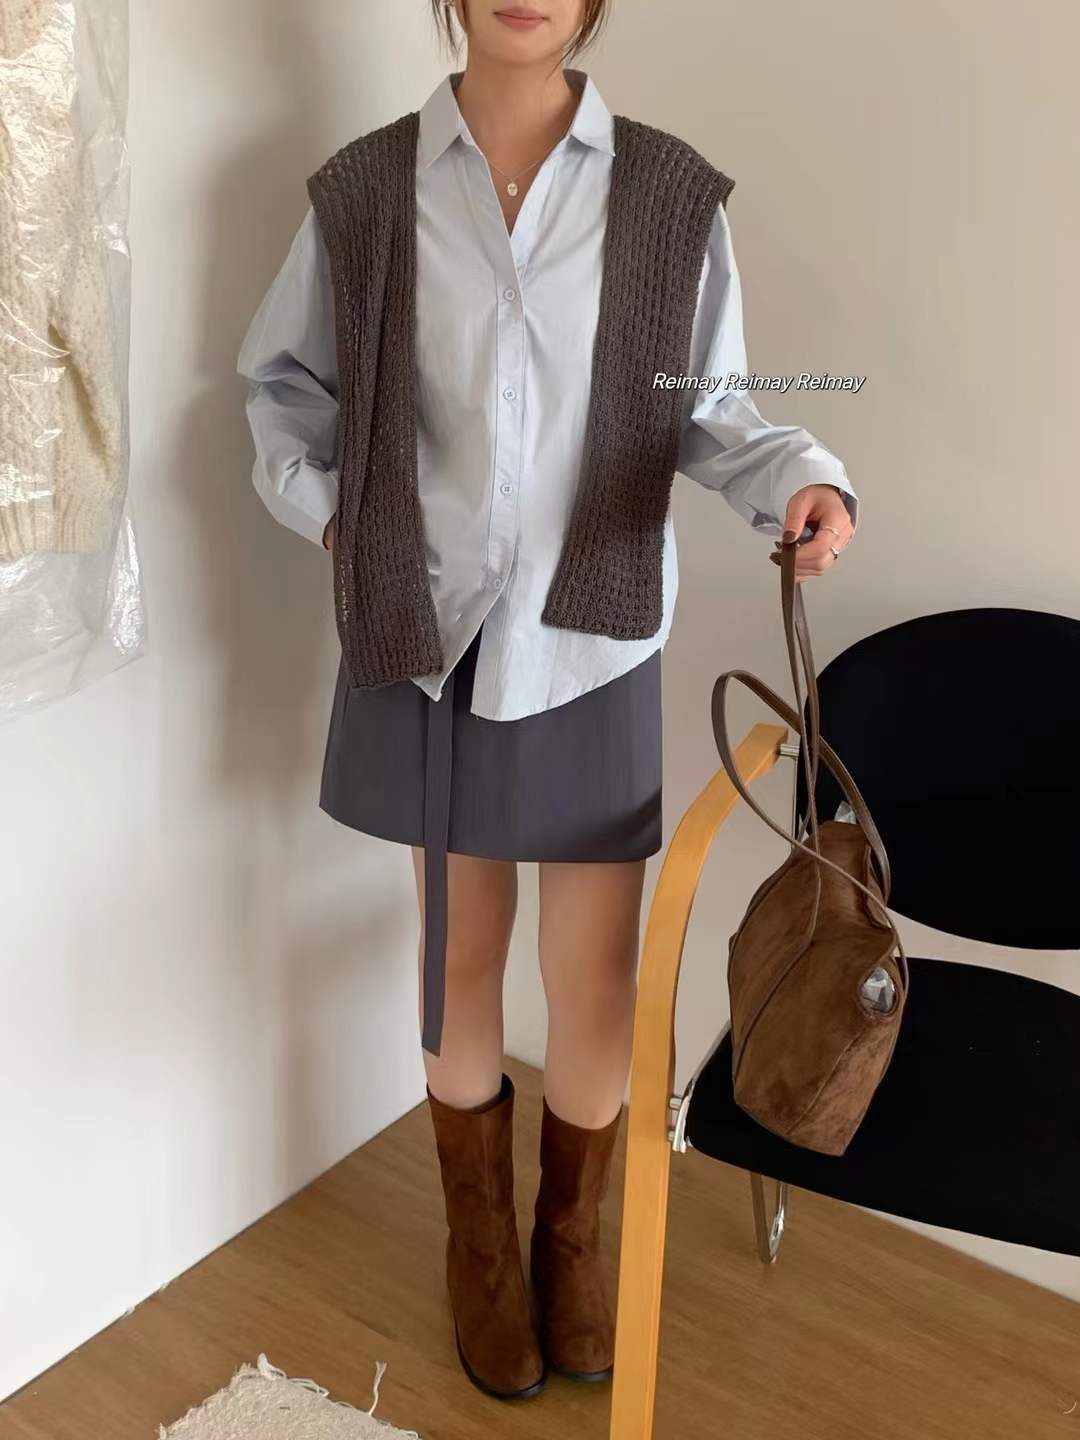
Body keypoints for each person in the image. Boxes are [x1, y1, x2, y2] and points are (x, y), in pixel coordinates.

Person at [236, 0, 856, 1404]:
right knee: (458, 955)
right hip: (429, 638)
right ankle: (478, 1243)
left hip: (590, 639)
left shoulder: (668, 196)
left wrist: (806, 481)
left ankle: (569, 1240)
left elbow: (717, 411)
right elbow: (283, 389)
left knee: (594, 976)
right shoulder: (367, 190)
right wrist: (338, 518)